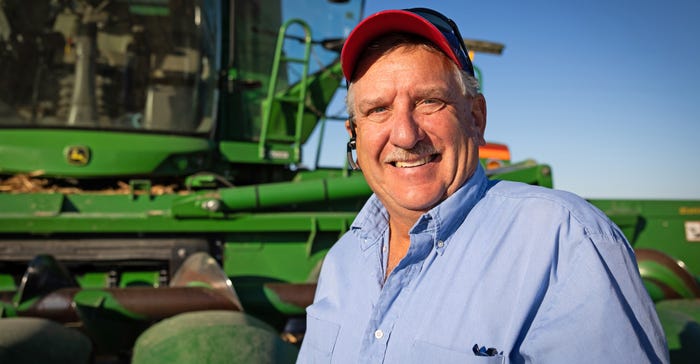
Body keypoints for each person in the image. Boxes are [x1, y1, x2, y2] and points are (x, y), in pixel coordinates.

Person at [297, 7, 668, 363]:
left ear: (476, 118)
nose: (406, 135)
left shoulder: (564, 243)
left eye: (429, 101)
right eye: (378, 109)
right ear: (355, 134)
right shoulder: (343, 262)